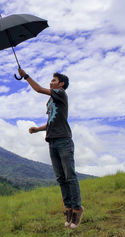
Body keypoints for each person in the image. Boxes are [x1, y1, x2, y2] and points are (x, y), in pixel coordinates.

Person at [18, 68, 83, 229]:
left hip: (64, 141)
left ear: (61, 84)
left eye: (54, 80)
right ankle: (68, 209)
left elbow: (39, 89)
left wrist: (25, 76)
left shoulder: (60, 93)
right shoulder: (51, 101)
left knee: (70, 176)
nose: (51, 82)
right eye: (51, 80)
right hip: (52, 141)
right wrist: (37, 129)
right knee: (61, 178)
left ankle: (77, 209)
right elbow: (52, 122)